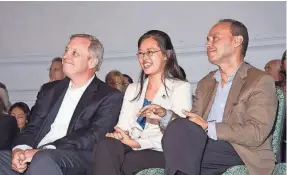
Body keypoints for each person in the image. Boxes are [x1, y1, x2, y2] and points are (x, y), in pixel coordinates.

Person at [143, 19, 277, 175]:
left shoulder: (259, 80)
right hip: (205, 146)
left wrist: (208, 127)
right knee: (132, 159)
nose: (208, 44)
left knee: (182, 150)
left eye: (215, 38)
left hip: (241, 151)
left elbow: (256, 132)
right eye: (207, 40)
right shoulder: (206, 82)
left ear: (237, 41)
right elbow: (191, 125)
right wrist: (165, 116)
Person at [0, 34, 123, 175]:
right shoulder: (49, 90)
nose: (65, 56)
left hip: (75, 156)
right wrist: (19, 149)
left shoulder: (108, 96)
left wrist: (46, 149)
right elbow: (32, 127)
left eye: (74, 53)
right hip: (36, 153)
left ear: (92, 62)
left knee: (43, 159)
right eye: (66, 50)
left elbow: (93, 136)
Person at [93, 30, 192, 175]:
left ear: (166, 55)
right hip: (131, 145)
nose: (144, 58)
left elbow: (179, 135)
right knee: (105, 146)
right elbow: (123, 126)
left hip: (159, 150)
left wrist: (138, 143)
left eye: (150, 52)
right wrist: (119, 135)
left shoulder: (180, 87)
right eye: (141, 53)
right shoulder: (133, 89)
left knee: (127, 162)